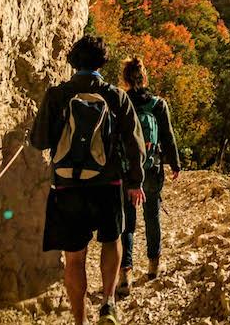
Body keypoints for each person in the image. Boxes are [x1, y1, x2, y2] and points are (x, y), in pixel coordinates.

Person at [30, 35, 145, 325]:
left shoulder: (57, 95)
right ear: (103, 63)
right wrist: (135, 181)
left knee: (75, 258)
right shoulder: (116, 96)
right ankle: (107, 304)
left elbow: (40, 141)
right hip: (107, 185)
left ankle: (79, 320)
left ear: (74, 61)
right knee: (111, 240)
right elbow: (135, 144)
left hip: (67, 187)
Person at [117, 56, 181, 296]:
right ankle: (153, 267)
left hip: (127, 171)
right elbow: (168, 136)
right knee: (152, 216)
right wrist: (175, 164)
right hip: (152, 169)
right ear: (144, 77)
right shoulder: (158, 104)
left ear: (125, 78)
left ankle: (125, 274)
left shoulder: (122, 103)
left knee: (128, 221)